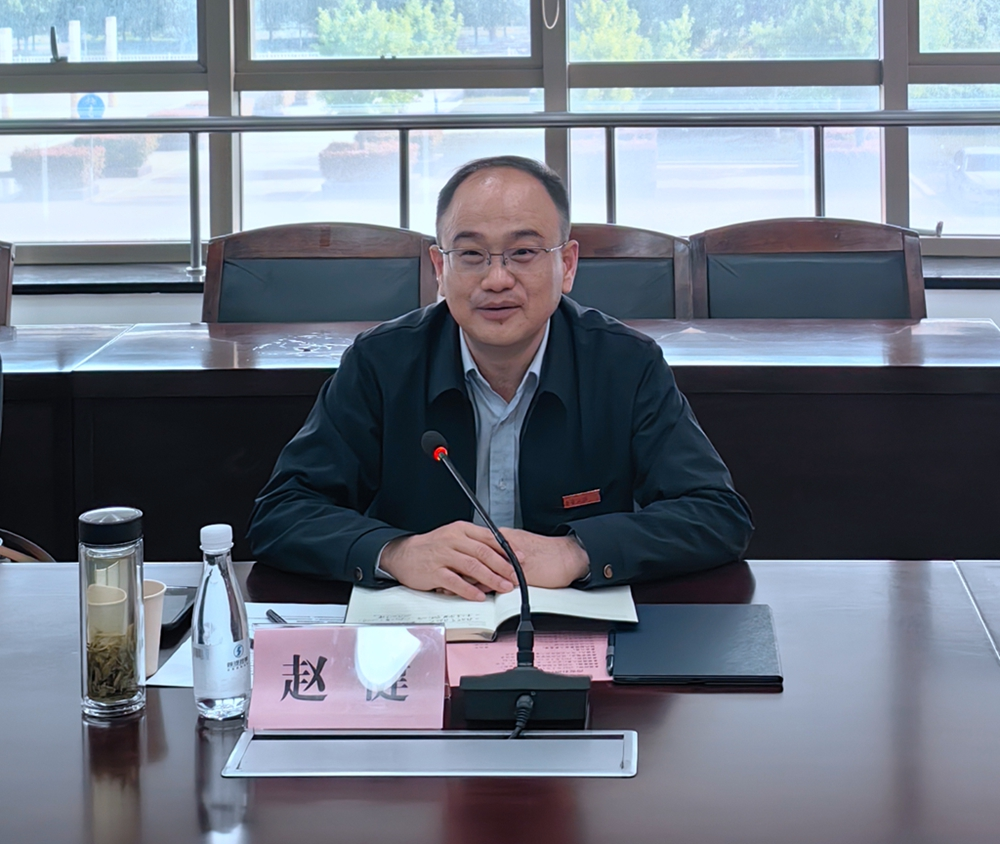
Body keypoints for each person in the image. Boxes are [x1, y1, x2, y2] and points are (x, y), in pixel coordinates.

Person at [247, 155, 753, 601]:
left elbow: (716, 515)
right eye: (471, 254)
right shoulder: (381, 363)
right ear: (439, 267)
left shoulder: (625, 364)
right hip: (422, 633)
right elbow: (282, 514)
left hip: (575, 629)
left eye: (524, 252)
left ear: (567, 264)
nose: (496, 279)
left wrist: (577, 553)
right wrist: (396, 552)